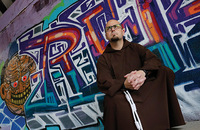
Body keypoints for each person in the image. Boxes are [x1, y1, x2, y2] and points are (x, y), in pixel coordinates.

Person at [96, 19, 185, 130]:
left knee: (164, 71)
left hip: (144, 88)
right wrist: (124, 83)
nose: (112, 29)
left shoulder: (136, 48)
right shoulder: (103, 59)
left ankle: (166, 121)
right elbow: (103, 81)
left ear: (123, 31)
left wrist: (143, 73)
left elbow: (154, 60)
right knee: (111, 100)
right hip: (122, 92)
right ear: (106, 36)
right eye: (109, 29)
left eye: (116, 26)